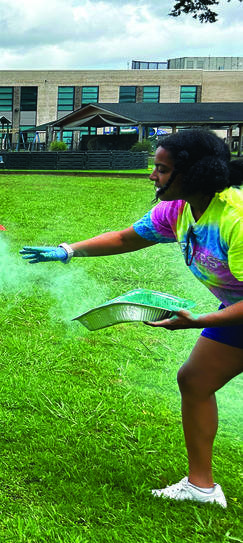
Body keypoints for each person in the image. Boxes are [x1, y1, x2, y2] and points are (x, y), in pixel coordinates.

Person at [21, 129, 243, 508]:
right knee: (194, 380)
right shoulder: (180, 208)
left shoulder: (235, 219)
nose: (152, 176)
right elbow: (127, 238)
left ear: (192, 173)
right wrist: (67, 251)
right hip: (235, 315)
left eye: (162, 168)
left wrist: (198, 320)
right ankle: (201, 487)